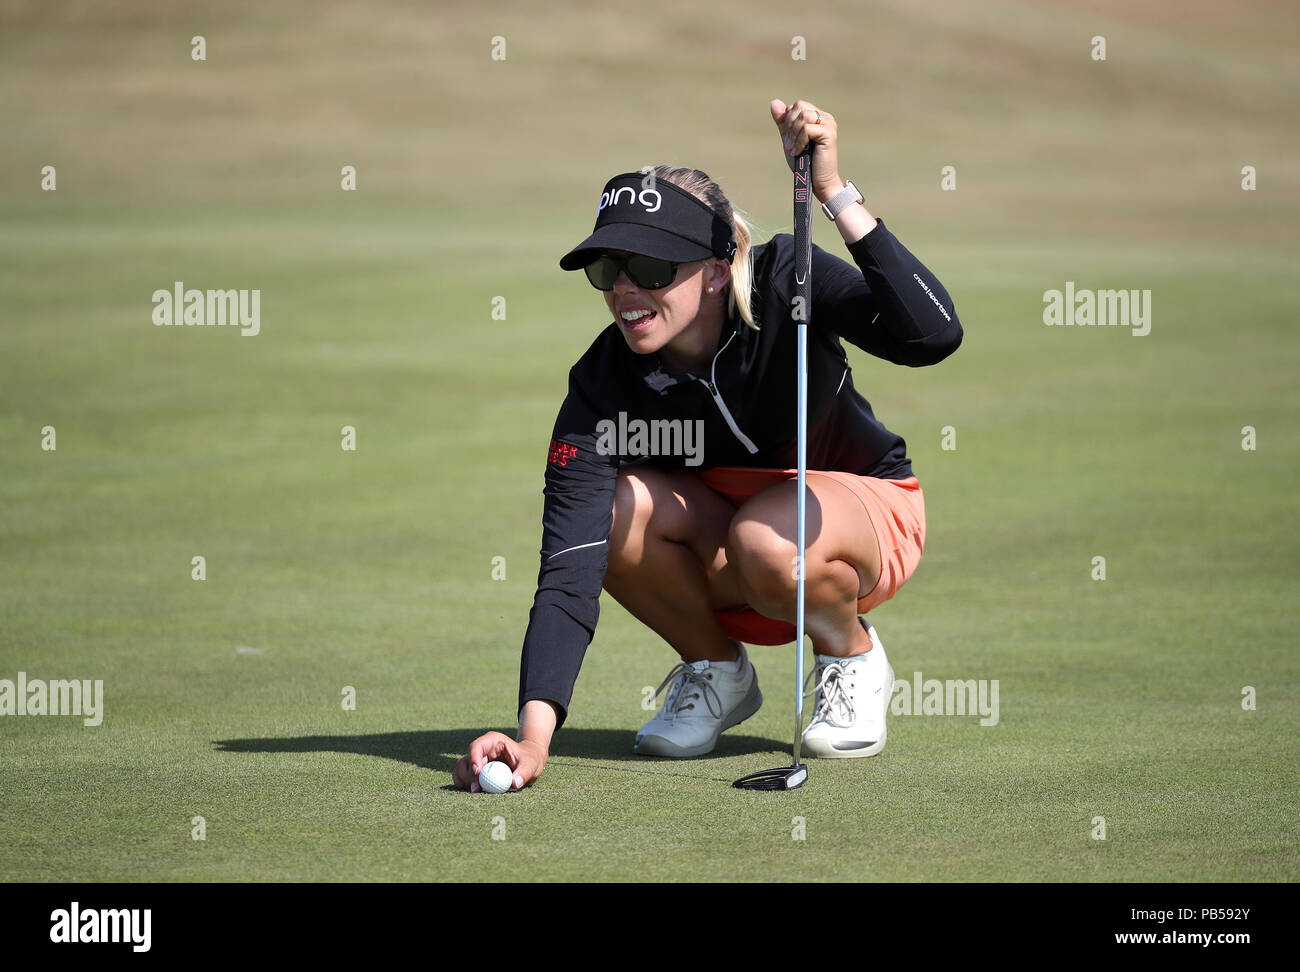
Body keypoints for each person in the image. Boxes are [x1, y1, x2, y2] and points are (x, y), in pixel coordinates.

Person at [453, 99, 962, 792]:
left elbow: (932, 335)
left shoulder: (787, 279)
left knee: (764, 538)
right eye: (608, 269)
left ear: (720, 268)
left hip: (862, 515)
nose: (625, 289)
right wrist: (533, 737)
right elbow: (569, 568)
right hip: (732, 547)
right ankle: (717, 671)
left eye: (651, 267)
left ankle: (851, 656)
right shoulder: (602, 384)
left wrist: (835, 194)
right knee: (615, 512)